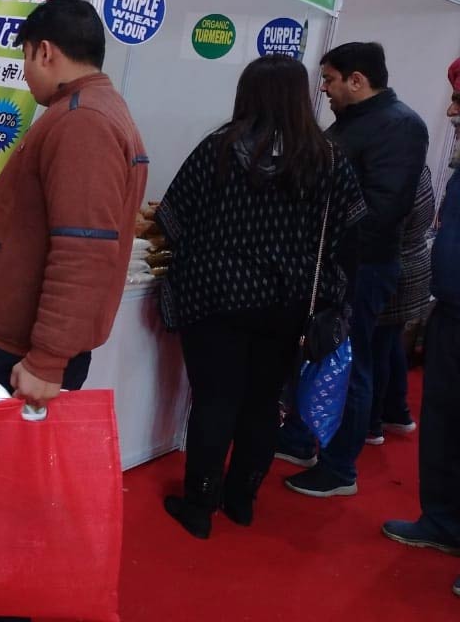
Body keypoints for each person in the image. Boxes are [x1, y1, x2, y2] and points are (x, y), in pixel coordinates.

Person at [0, 0, 147, 608]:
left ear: (45, 51)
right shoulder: (84, 111)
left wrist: (47, 360)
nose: (25, 74)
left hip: (20, 349)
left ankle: (2, 599)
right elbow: (51, 223)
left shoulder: (82, 123)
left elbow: (84, 251)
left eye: (25, 59)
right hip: (20, 339)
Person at [155, 56, 365, 538]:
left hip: (214, 297)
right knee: (263, 402)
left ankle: (199, 504)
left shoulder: (218, 149)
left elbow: (173, 217)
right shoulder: (328, 159)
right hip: (287, 303)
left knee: (215, 399)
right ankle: (242, 499)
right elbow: (349, 234)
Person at [278, 42, 429, 497]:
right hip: (328, 263)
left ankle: (339, 467)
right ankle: (301, 439)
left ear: (357, 80)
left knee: (350, 363)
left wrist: (325, 237)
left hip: (361, 268)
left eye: (329, 79)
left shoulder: (400, 126)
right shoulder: (352, 122)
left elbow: (383, 210)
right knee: (315, 354)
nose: (323, 89)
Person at [381, 57, 460, 599]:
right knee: (444, 421)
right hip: (450, 312)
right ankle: (443, 521)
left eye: (459, 101)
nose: (451, 110)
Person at [367, 167, 434, 445]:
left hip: (396, 266)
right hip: (411, 264)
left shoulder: (396, 172)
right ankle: (395, 411)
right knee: (388, 343)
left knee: (377, 349)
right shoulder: (416, 166)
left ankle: (372, 422)